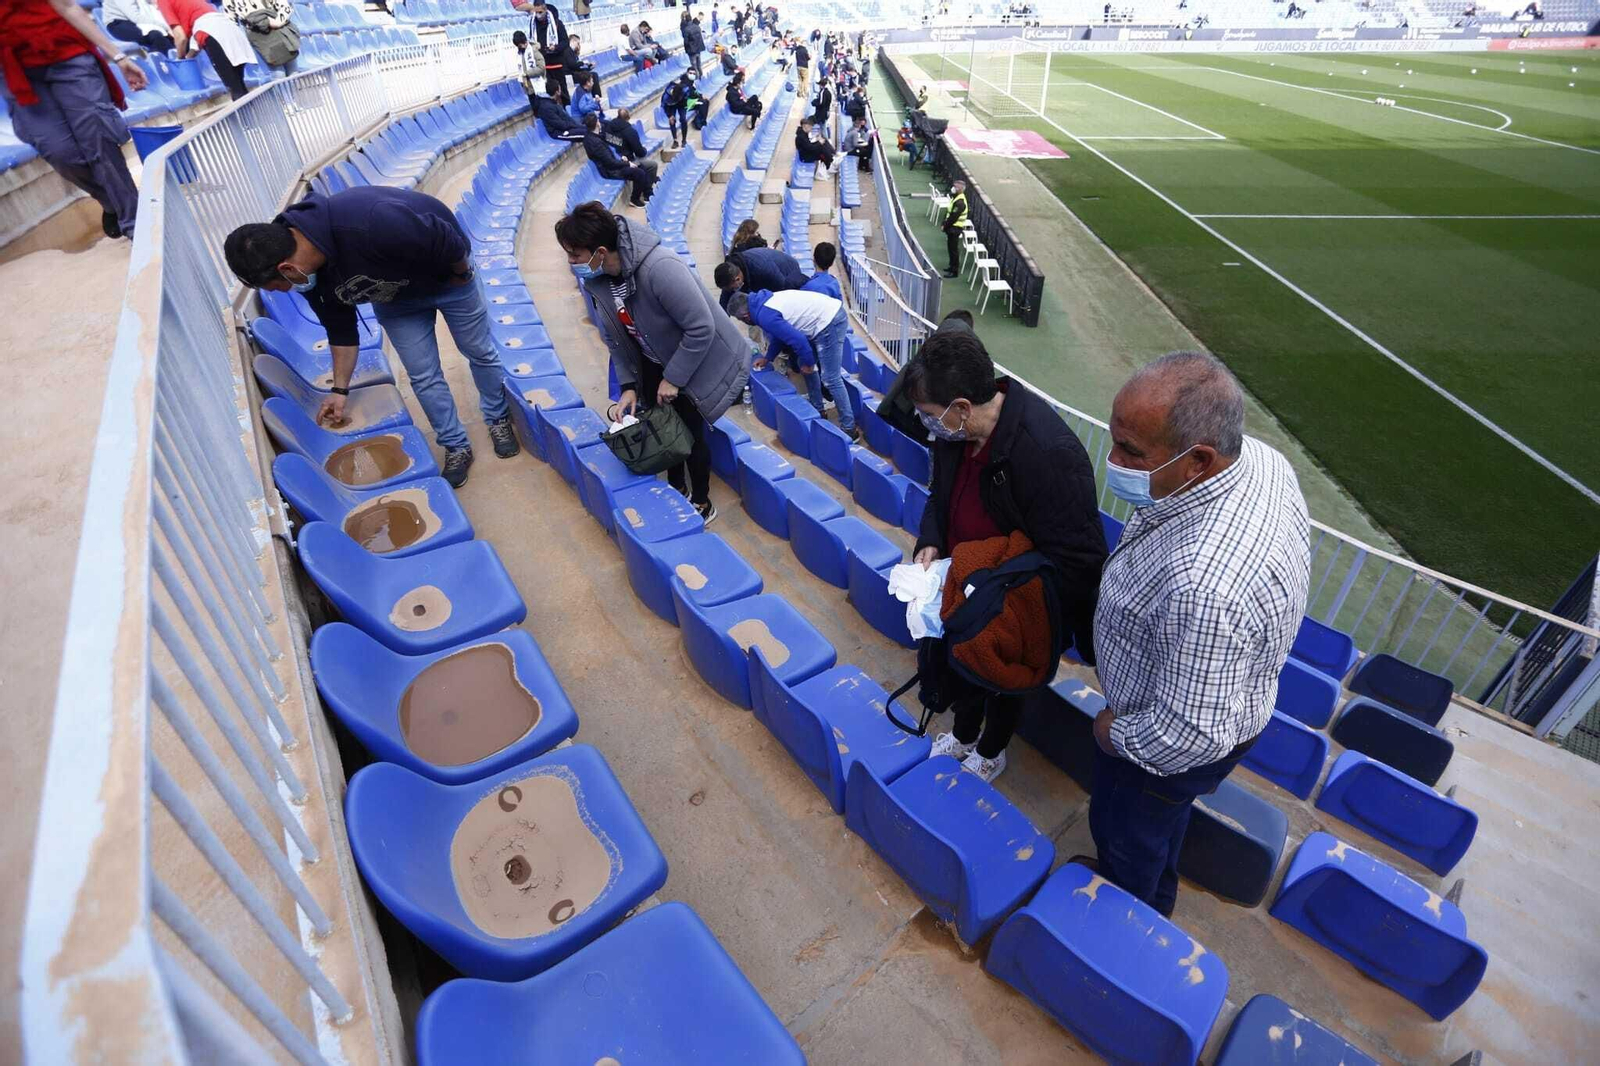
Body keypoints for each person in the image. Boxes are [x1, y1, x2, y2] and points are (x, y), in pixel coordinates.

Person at [1088, 351, 1310, 916]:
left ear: (1199, 461)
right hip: (1207, 703)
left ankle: (1131, 916)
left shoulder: (1204, 588)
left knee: (1127, 828)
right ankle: (1150, 887)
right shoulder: (1257, 460)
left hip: (1166, 737)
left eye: (1131, 452)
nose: (1112, 459)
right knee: (1159, 819)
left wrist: (1116, 732)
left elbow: (1189, 734)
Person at [905, 329, 1107, 782]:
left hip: (1010, 603)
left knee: (999, 680)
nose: (927, 425)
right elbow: (941, 493)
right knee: (961, 664)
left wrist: (1004, 585)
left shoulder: (1050, 455)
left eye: (930, 415)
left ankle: (991, 750)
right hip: (960, 583)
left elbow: (1079, 558)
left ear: (961, 408)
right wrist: (931, 539)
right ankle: (962, 733)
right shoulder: (953, 433)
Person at [224, 188, 520, 488]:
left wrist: (462, 273)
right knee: (423, 374)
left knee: (478, 352)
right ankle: (456, 445)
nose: (282, 291)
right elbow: (340, 330)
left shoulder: (371, 222)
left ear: (286, 268)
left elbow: (446, 238)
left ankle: (498, 419)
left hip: (449, 280)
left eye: (276, 286)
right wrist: (340, 391)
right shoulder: (310, 278)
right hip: (397, 300)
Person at [557, 201, 749, 522]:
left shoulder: (661, 268)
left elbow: (702, 327)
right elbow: (616, 338)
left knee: (690, 433)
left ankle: (701, 500)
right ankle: (677, 488)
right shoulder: (603, 281)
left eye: (575, 254)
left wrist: (673, 378)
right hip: (652, 361)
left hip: (690, 361)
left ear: (600, 251)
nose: (571, 261)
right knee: (663, 428)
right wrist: (629, 387)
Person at [0, 0, 148, 241]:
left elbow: (67, 6)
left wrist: (119, 57)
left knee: (99, 140)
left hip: (67, 54)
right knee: (59, 152)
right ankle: (112, 202)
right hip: (15, 69)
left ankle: (136, 225)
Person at [729, 288, 856, 441]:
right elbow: (780, 335)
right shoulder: (761, 305)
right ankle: (818, 410)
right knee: (804, 362)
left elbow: (799, 341)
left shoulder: (764, 314)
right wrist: (768, 358)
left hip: (830, 321)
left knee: (830, 377)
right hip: (822, 320)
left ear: (745, 316)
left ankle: (849, 428)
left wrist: (809, 363)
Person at [158, 0, 254, 100]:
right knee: (239, 85)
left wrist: (180, 58)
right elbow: (196, 42)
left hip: (213, 33)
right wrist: (188, 57)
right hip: (229, 28)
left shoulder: (163, 1)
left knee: (235, 89)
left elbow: (180, 37)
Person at [581, 112, 656, 207]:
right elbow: (610, 162)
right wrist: (627, 163)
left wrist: (621, 157)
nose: (600, 122)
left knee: (641, 167)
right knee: (639, 172)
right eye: (598, 121)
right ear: (597, 124)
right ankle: (635, 199)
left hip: (614, 163)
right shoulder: (596, 142)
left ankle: (648, 194)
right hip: (610, 170)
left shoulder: (596, 135)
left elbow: (611, 151)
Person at [712, 244, 805, 311]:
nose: (732, 291)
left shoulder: (762, 269)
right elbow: (724, 303)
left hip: (787, 273)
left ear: (737, 279)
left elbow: (783, 292)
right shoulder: (729, 274)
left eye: (732, 288)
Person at [519, 0, 576, 103]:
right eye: (536, 12)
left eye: (540, 12)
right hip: (542, 65)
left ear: (545, 10)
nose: (538, 15)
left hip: (556, 63)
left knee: (562, 91)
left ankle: (567, 109)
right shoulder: (533, 24)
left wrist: (556, 47)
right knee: (547, 93)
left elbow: (565, 42)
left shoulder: (557, 24)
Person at [221, 0, 297, 72]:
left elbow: (285, 7)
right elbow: (230, 20)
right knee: (277, 73)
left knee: (292, 69)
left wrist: (276, 22)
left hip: (277, 27)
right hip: (255, 33)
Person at [102, 0, 176, 52]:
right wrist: (165, 27)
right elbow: (135, 17)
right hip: (118, 24)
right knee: (155, 35)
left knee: (170, 38)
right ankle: (162, 68)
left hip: (134, 22)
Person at [940, 179, 968, 278]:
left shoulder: (960, 202)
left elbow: (953, 217)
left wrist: (945, 225)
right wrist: (944, 223)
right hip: (952, 228)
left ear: (960, 189)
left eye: (955, 187)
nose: (953, 188)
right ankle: (951, 266)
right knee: (950, 248)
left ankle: (954, 271)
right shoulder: (956, 198)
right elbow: (949, 212)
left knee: (954, 250)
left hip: (955, 229)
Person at [512, 30, 546, 107]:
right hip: (529, 89)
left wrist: (527, 73)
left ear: (525, 42)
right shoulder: (520, 53)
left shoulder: (534, 51)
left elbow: (541, 68)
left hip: (538, 86)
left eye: (520, 45)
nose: (519, 47)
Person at [681, 10, 705, 78]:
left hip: (691, 51)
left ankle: (697, 79)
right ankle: (701, 78)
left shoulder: (686, 29)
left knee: (694, 67)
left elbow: (686, 41)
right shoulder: (697, 27)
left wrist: (687, 50)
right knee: (699, 65)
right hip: (698, 49)